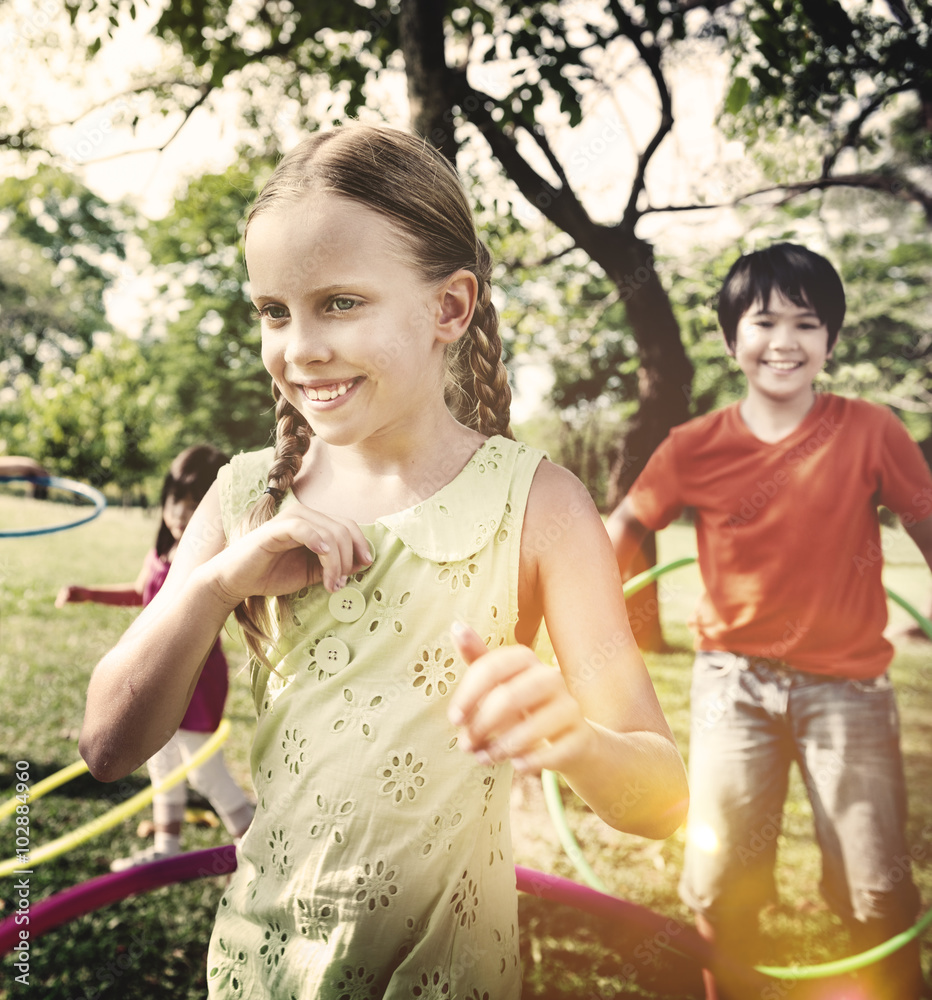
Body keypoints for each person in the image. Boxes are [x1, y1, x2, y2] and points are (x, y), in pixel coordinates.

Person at [78, 124, 688, 999]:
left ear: (450, 307)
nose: (300, 348)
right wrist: (213, 587)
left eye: (340, 304)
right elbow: (106, 745)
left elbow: (660, 799)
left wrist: (576, 740)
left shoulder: (541, 507)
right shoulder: (248, 495)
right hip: (262, 974)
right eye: (274, 312)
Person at [606, 242, 932, 1000]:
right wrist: (584, 624)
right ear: (732, 339)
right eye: (764, 322)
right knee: (722, 884)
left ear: (831, 340)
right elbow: (621, 531)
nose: (784, 342)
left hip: (848, 691)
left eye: (806, 323)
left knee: (875, 888)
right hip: (733, 690)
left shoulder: (872, 431)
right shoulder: (694, 446)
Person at [60, 445, 254, 869]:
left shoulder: (214, 560)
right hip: (154, 671)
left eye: (192, 503)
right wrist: (86, 593)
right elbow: (139, 592)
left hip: (195, 676)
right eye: (174, 501)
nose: (181, 514)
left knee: (203, 768)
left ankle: (255, 841)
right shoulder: (162, 556)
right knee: (160, 763)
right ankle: (166, 847)